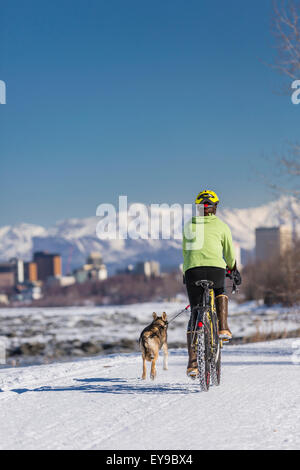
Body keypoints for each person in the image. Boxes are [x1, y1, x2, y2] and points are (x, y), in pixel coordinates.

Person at [182, 190, 241, 378]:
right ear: (215, 208)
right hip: (216, 270)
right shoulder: (222, 226)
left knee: (195, 311)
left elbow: (186, 252)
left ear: (198, 209)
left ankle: (193, 363)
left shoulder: (189, 225)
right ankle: (223, 326)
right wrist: (233, 269)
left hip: (193, 271)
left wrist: (187, 271)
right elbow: (230, 254)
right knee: (220, 289)